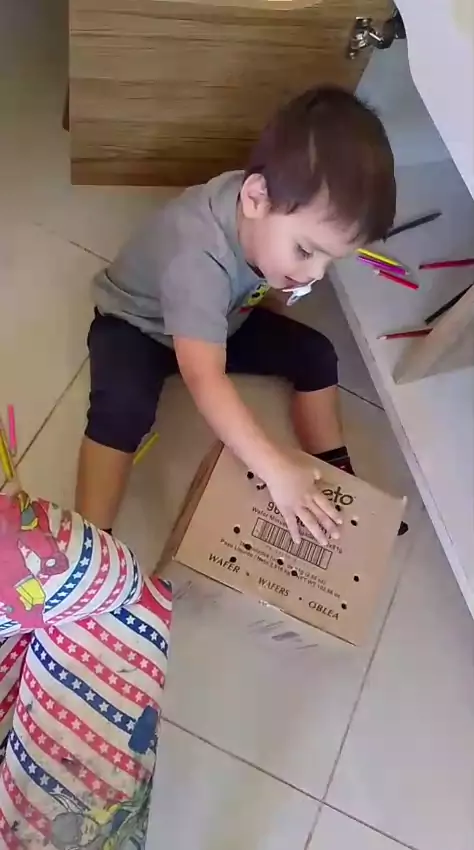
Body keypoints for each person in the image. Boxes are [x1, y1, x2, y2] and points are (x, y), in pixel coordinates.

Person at [76, 86, 404, 546]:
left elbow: (259, 293)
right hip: (138, 325)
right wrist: (273, 468)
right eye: (306, 251)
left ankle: (336, 477)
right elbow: (204, 378)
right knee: (122, 409)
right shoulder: (197, 258)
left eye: (330, 261)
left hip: (224, 317)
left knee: (316, 354)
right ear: (255, 197)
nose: (315, 274)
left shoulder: (264, 212)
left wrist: (278, 286)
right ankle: (89, 545)